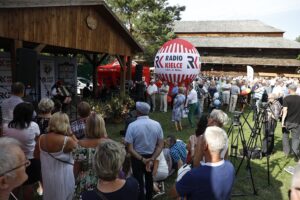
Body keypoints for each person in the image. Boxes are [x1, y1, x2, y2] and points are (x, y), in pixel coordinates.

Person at [171, 126, 235, 200]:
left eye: (200, 142)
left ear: (205, 146)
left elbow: (173, 193)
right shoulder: (230, 167)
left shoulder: (194, 175)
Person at [125, 101, 164, 200]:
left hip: (137, 157)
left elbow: (130, 148)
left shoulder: (132, 126)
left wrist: (142, 159)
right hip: (151, 156)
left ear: (137, 112)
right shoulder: (157, 125)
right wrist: (152, 158)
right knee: (149, 178)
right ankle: (149, 197)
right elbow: (160, 145)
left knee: (139, 180)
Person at [3, 102, 40, 199]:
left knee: (14, 186)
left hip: (12, 161)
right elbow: (37, 141)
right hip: (30, 160)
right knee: (29, 187)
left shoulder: (6, 127)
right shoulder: (33, 126)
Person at [39, 112, 78, 200]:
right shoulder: (68, 141)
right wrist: (71, 133)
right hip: (64, 178)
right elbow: (81, 150)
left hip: (47, 176)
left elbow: (37, 156)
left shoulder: (41, 138)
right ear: (66, 124)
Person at [73, 112, 108, 199]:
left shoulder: (80, 144)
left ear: (87, 127)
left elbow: (76, 169)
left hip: (85, 183)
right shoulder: (108, 144)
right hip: (104, 182)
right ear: (102, 126)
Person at [281, 84, 300, 158]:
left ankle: (286, 152)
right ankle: (295, 151)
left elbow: (285, 111)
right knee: (295, 137)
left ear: (289, 90)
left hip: (287, 121)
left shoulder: (286, 98)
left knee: (285, 137)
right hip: (297, 121)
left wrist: (282, 121)